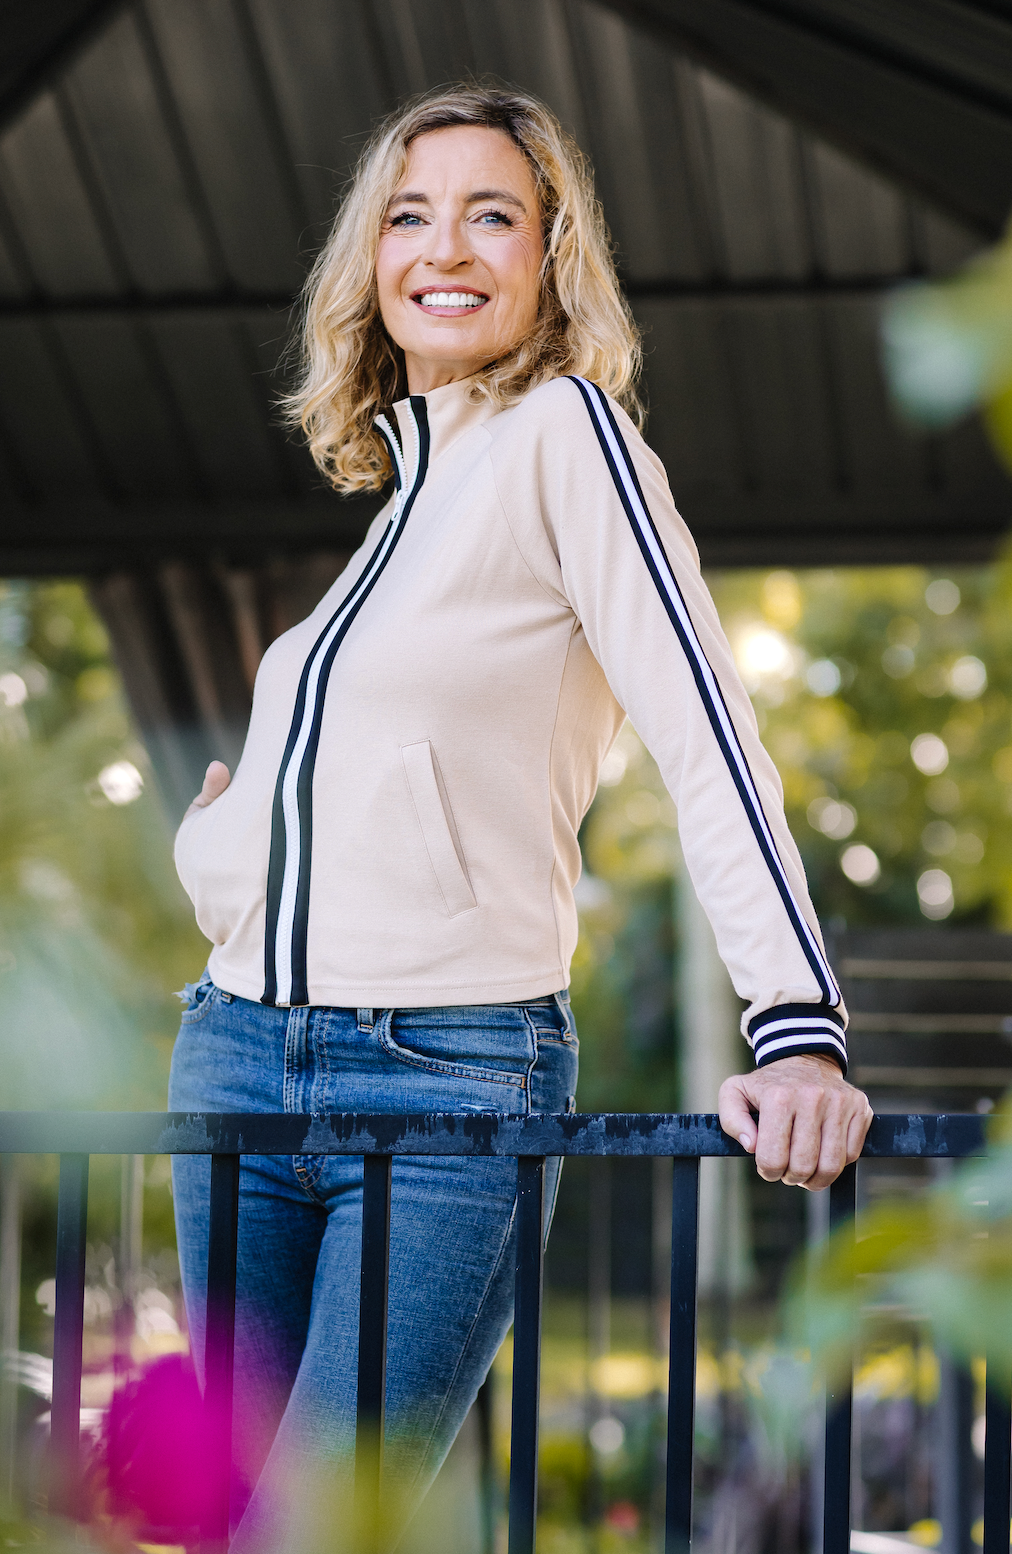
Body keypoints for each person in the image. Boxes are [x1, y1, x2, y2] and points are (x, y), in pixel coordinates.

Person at [170, 82, 872, 1549]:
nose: (445, 248)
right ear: (371, 259)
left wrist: (796, 1026)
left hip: (444, 1079)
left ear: (552, 259)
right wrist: (220, 854)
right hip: (237, 1062)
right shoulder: (397, 513)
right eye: (409, 216)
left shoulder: (569, 438)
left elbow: (707, 735)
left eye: (491, 214)